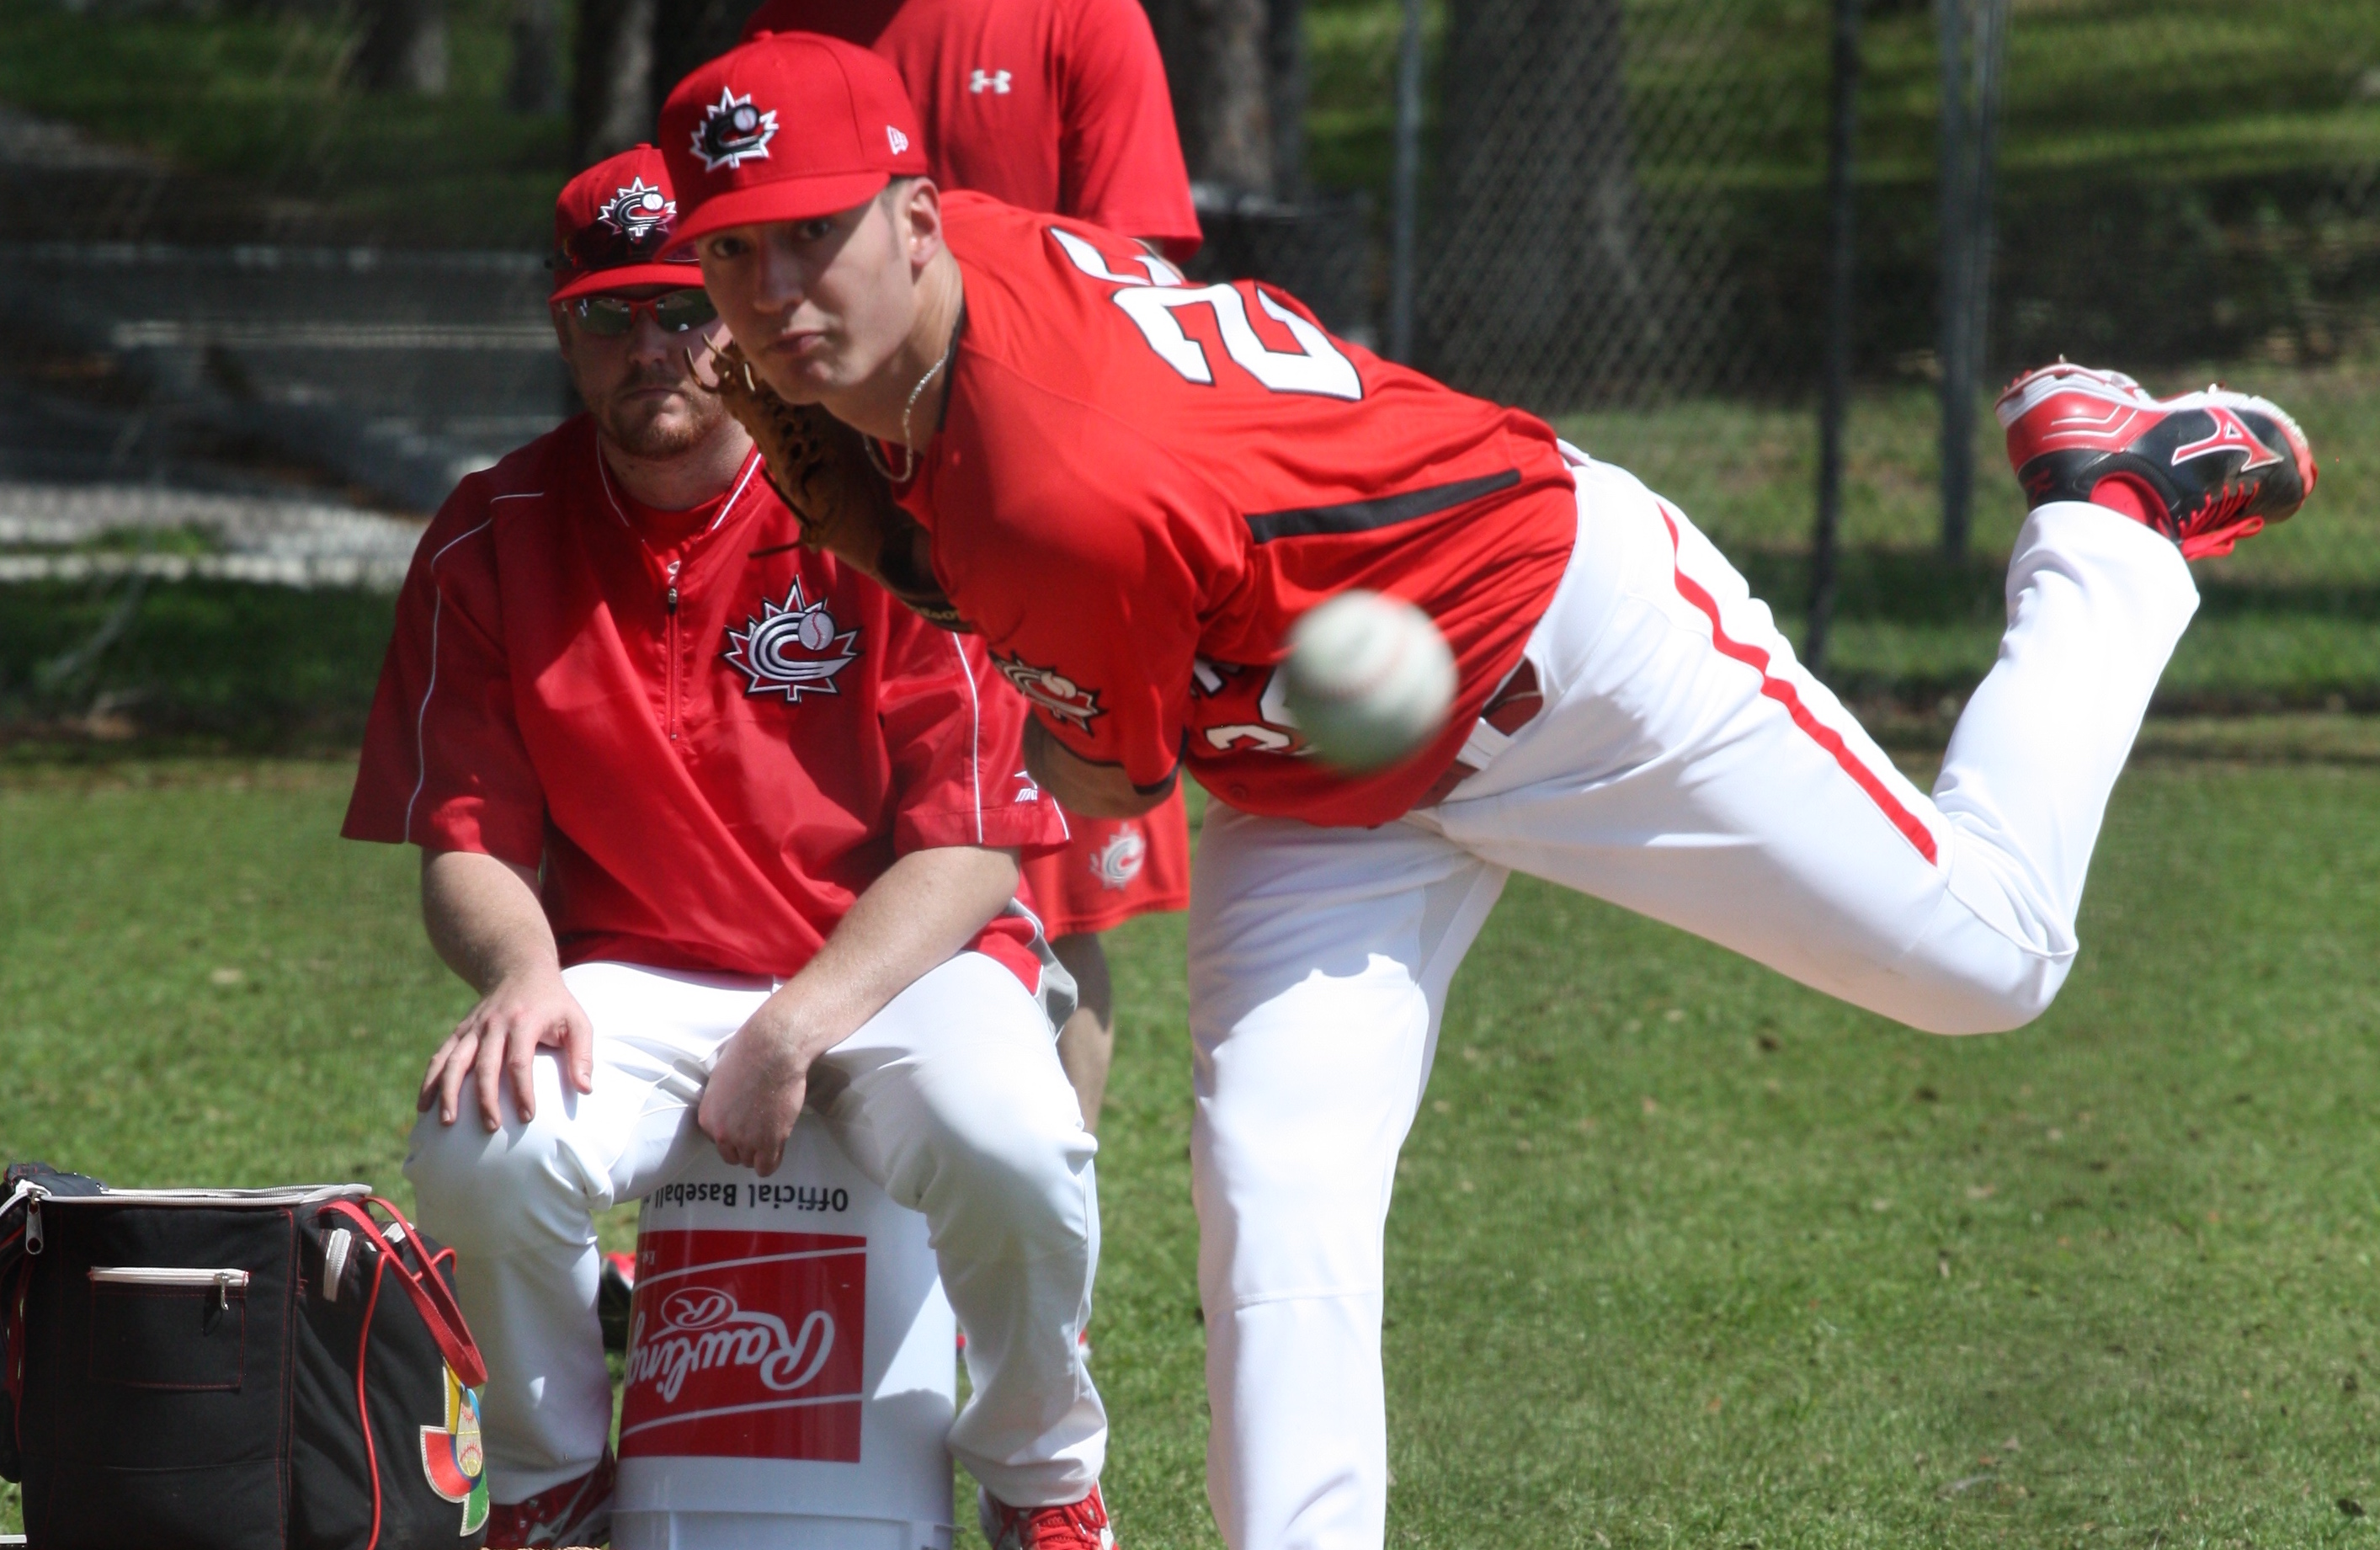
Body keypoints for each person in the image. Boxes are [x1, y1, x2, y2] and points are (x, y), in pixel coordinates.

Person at [655, 35, 2319, 1550]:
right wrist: (908, 526)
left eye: (819, 233)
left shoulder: (1046, 485)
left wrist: (888, 548)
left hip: (1574, 663)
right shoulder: (973, 302)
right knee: (1272, 1191)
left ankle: (2107, 512)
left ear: (918, 215)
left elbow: (1105, 769)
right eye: (736, 249)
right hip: (1319, 786)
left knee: (1992, 961)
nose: (780, 289)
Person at [342, 146, 1118, 1550]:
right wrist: (522, 972)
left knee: (1016, 1143)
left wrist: (799, 1025)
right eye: (607, 318)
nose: (654, 351)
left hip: (895, 960)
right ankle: (553, 1478)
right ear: (559, 326)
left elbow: (975, 846)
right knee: (480, 1150)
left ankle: (1040, 1475)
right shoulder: (488, 532)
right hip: (634, 968)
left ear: (738, 305)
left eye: (682, 307)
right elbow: (465, 838)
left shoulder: (883, 507)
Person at [736, 0, 1202, 1130]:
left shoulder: (1077, 19)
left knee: (1064, 906)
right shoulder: (788, 29)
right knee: (815, 884)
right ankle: (828, 1254)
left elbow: (1142, 285)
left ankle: (1052, 1275)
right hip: (844, 517)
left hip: (1035, 520)